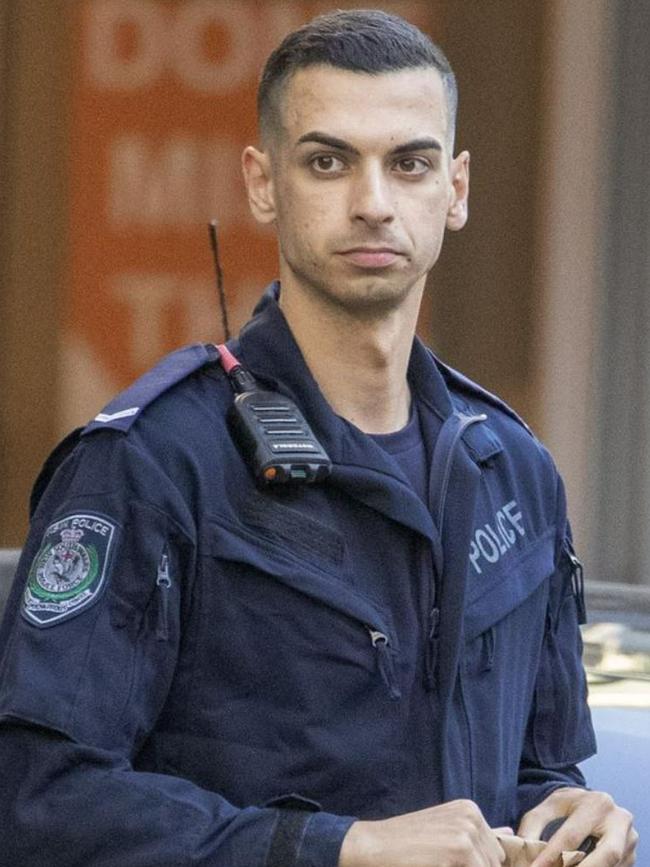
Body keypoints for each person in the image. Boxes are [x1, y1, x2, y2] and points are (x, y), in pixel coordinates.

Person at [0, 9, 638, 867]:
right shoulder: (152, 463)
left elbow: (533, 771)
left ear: (455, 190)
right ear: (264, 183)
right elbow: (37, 799)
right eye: (329, 161)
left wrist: (571, 819)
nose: (373, 203)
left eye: (409, 163)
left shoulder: (515, 474)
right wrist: (339, 849)